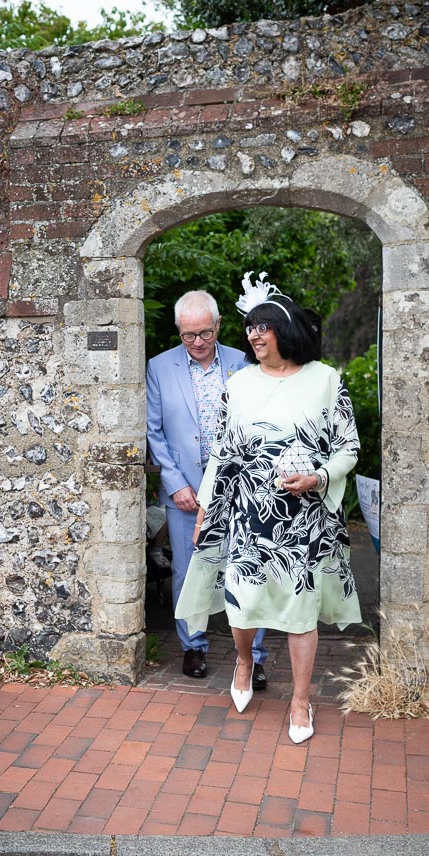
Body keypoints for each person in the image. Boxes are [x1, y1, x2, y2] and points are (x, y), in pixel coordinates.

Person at [176, 274, 362, 743]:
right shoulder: (238, 384)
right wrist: (205, 508)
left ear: (285, 328)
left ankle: (300, 702)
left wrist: (319, 476)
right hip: (245, 514)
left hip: (304, 518)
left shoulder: (325, 379)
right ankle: (243, 659)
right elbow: (222, 451)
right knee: (242, 607)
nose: (253, 336)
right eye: (250, 329)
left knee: (301, 611)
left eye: (263, 327)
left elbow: (349, 448)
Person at [145, 290, 267, 684]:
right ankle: (193, 647)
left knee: (248, 569)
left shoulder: (245, 362)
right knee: (188, 572)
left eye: (204, 334)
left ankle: (254, 655)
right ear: (178, 332)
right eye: (188, 336)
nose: (197, 343)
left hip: (242, 488)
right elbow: (155, 431)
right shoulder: (159, 367)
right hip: (187, 493)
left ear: (218, 326)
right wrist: (174, 482)